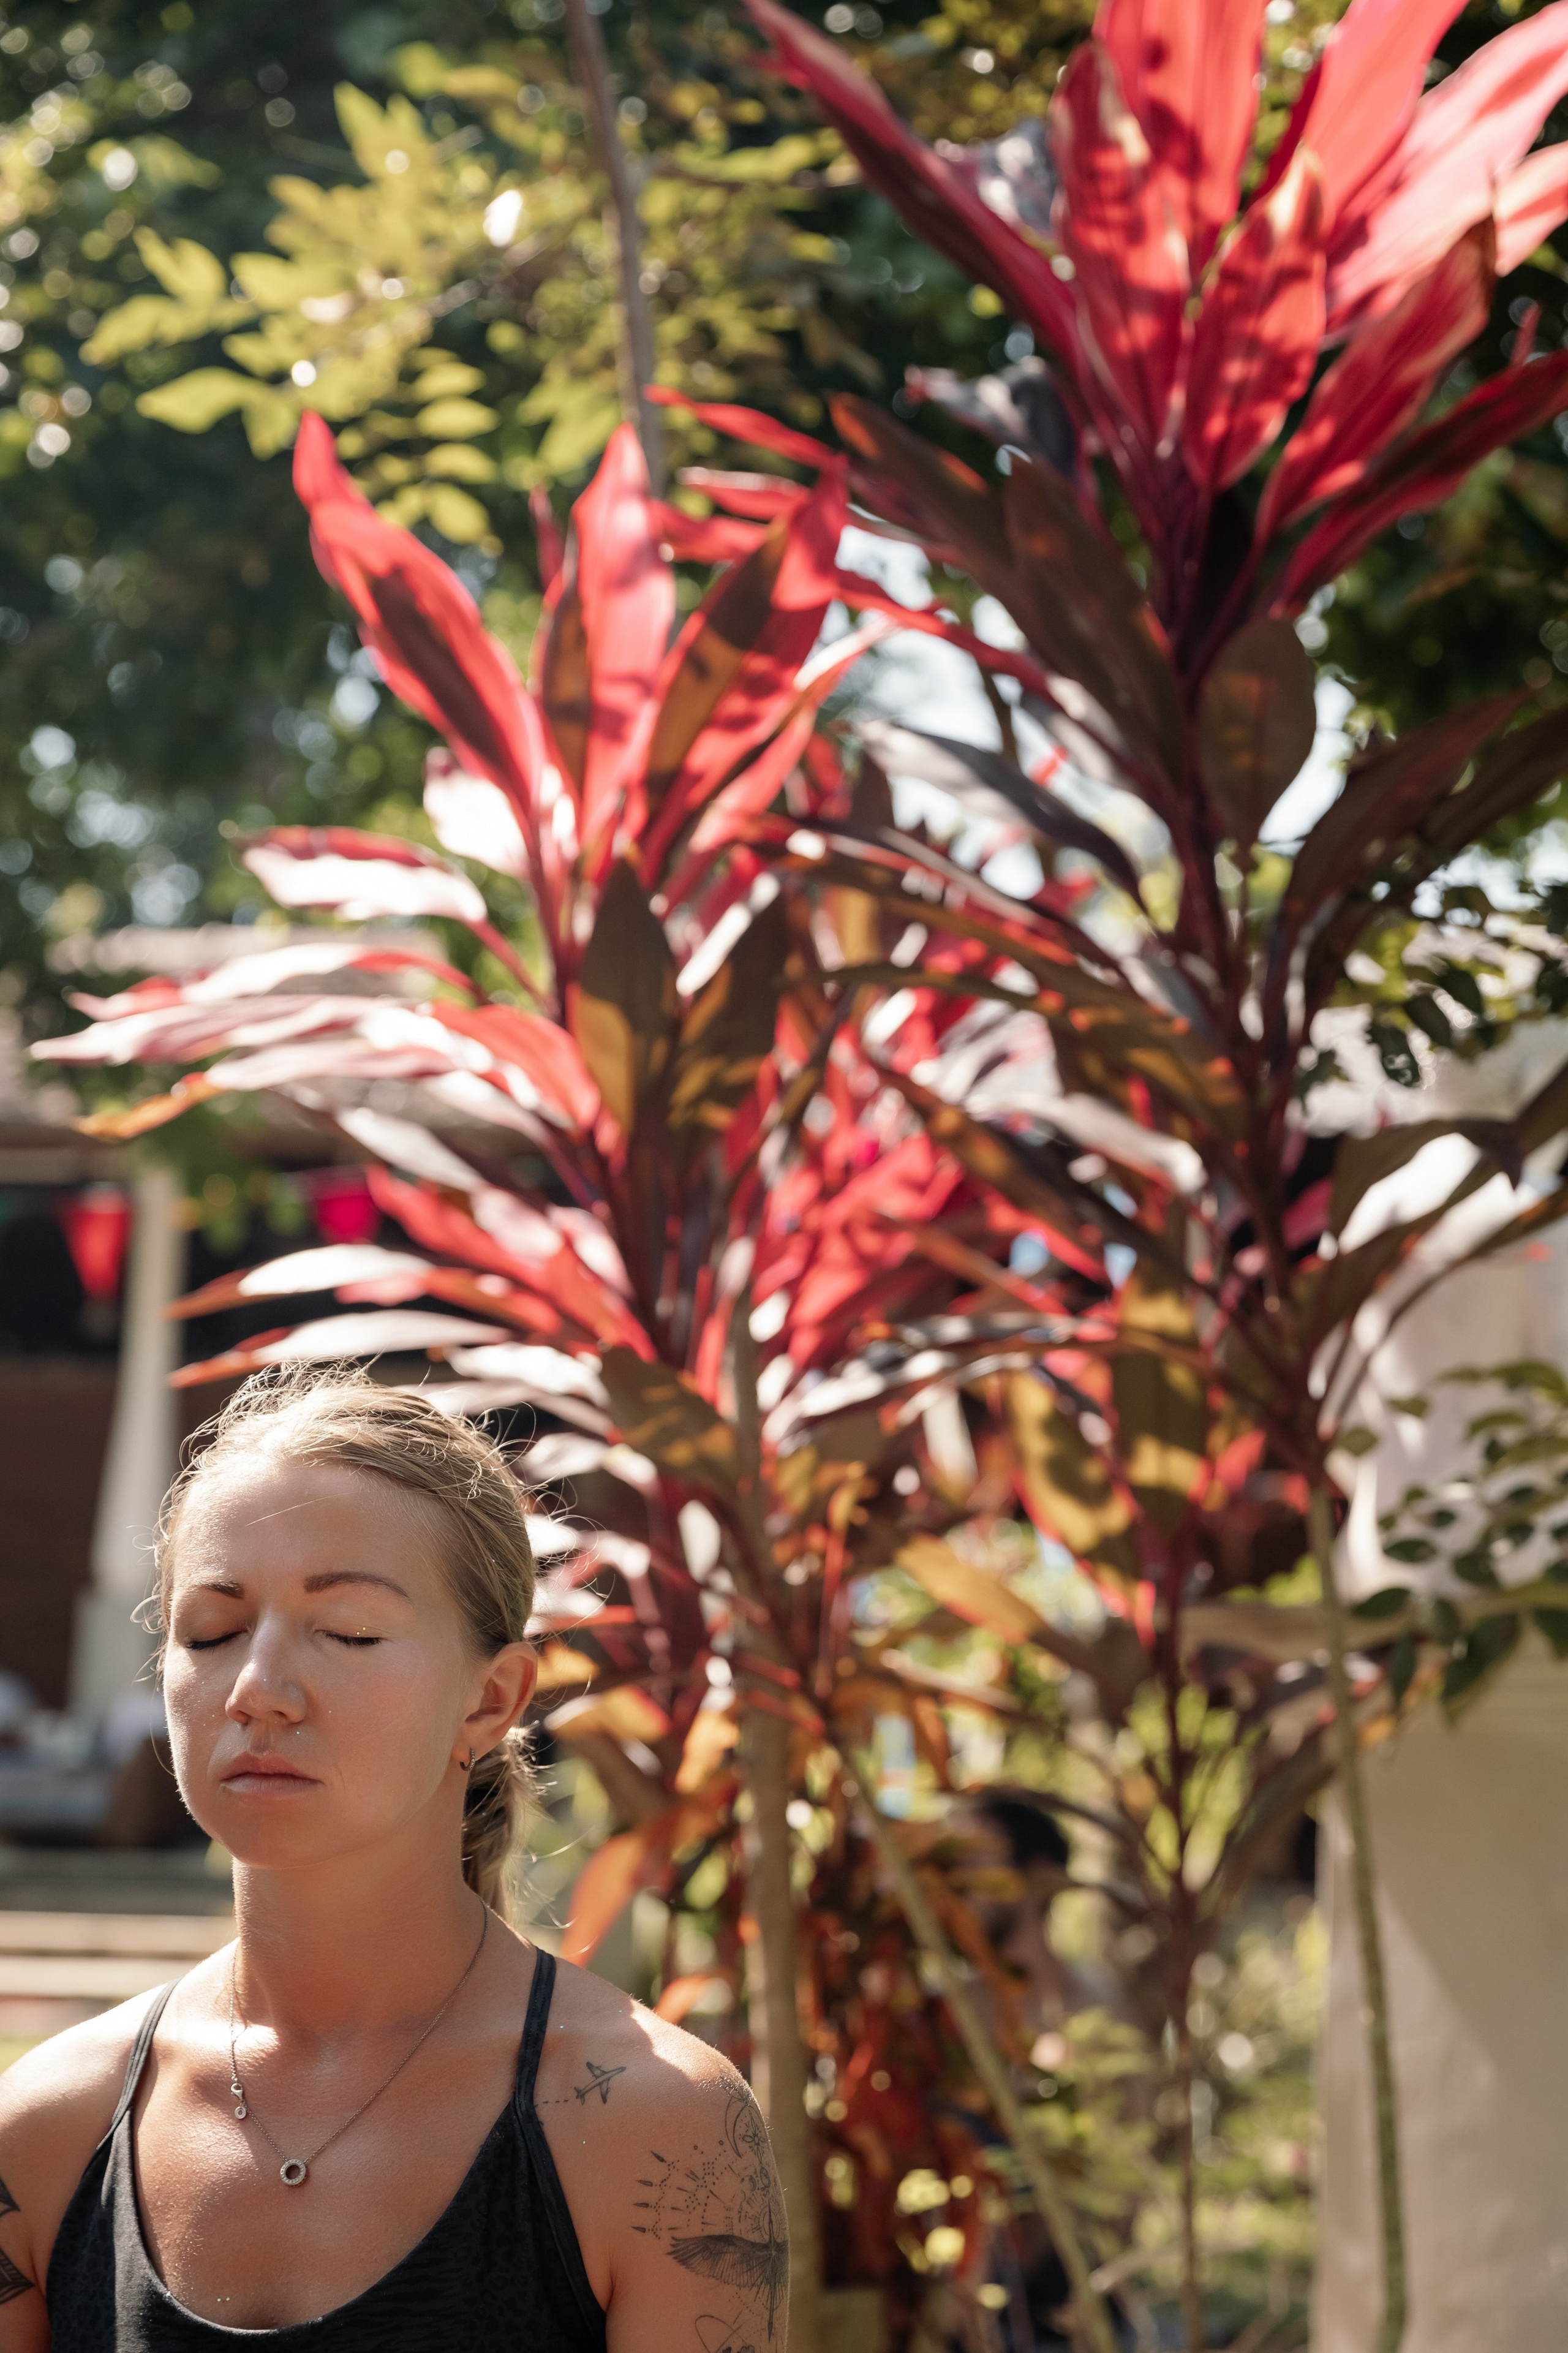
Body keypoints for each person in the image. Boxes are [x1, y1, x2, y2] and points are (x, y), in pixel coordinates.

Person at [0, 1370, 786, 2351]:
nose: (258, 1687)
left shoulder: (653, 2128)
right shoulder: (47, 2129)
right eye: (212, 1631)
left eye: (351, 1631)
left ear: (491, 1699)